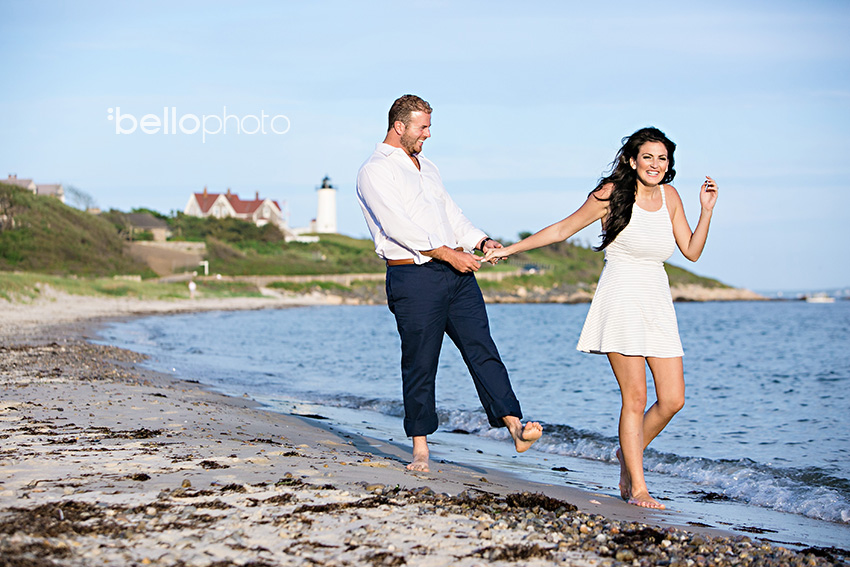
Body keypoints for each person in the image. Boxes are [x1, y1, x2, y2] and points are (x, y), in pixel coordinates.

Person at [485, 127, 718, 509]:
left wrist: (706, 211)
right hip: (621, 297)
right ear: (632, 160)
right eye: (648, 157)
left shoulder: (671, 196)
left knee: (673, 398)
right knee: (636, 396)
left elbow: (692, 251)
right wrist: (511, 249)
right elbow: (563, 228)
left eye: (662, 158)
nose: (655, 165)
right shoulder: (610, 194)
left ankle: (629, 451)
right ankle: (637, 487)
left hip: (657, 299)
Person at [356, 94, 542, 472]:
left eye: (429, 126)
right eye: (422, 127)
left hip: (455, 274)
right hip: (414, 276)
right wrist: (448, 253)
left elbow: (451, 214)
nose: (427, 134)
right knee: (421, 362)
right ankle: (420, 447)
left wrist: (479, 241)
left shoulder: (429, 167)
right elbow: (398, 226)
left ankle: (514, 426)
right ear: (399, 126)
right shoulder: (375, 171)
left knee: (482, 348)